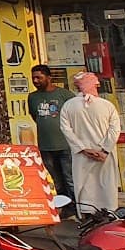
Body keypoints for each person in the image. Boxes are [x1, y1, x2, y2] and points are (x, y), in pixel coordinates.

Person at [60, 71, 122, 216]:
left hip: (82, 155)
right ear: (94, 85)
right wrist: (105, 150)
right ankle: (109, 211)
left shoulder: (68, 106)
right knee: (106, 183)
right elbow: (115, 129)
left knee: (84, 183)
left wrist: (83, 149)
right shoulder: (107, 106)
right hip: (104, 155)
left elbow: (66, 130)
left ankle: (87, 213)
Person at [26, 65, 75, 213]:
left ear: (48, 78)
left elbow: (75, 116)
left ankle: (77, 207)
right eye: (33, 78)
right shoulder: (32, 97)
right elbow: (35, 116)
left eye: (39, 78)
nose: (36, 81)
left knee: (69, 178)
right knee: (55, 180)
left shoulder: (65, 95)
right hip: (45, 146)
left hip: (65, 144)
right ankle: (64, 207)